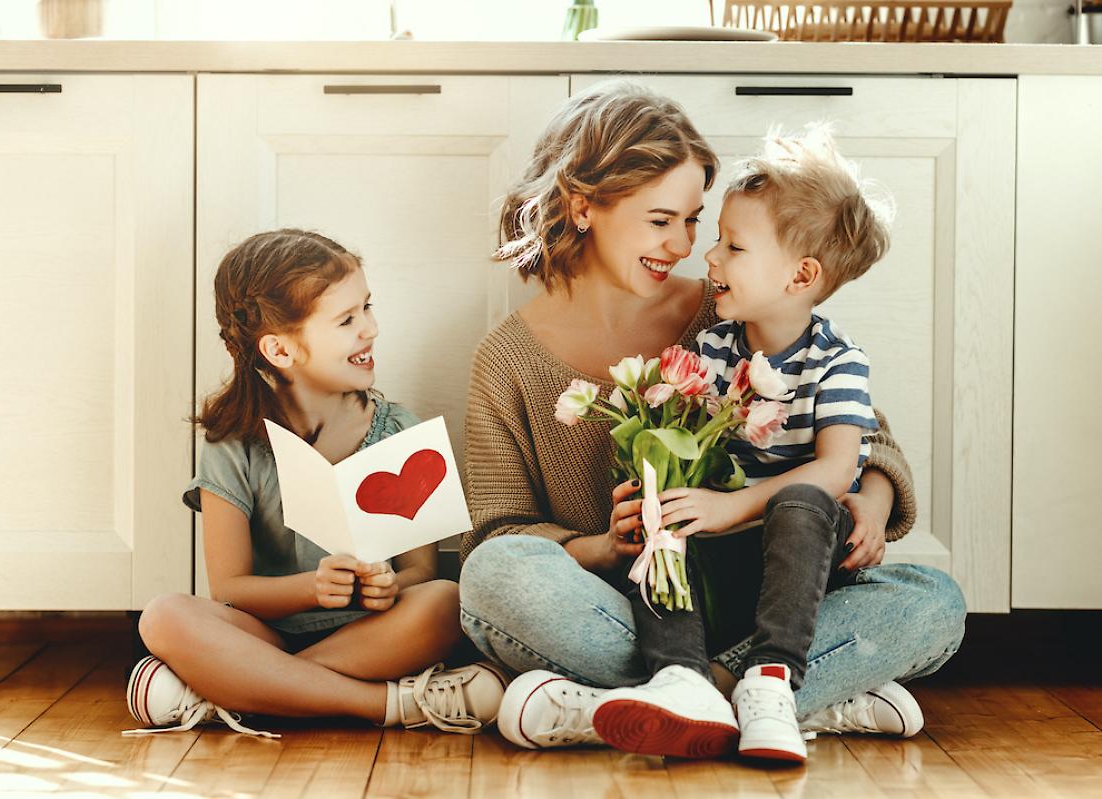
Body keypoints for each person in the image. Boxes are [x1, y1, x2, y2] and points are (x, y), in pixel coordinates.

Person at [456, 81, 966, 755]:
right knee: (493, 578)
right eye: (662, 219)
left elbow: (867, 441)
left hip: (772, 599)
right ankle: (781, 698)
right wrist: (604, 546)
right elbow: (500, 534)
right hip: (631, 608)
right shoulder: (506, 359)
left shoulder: (731, 305)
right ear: (583, 207)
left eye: (696, 220)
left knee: (934, 600)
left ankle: (644, 702)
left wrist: (869, 503)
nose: (688, 246)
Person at [591, 128, 906, 763]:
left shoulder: (837, 362)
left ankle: (769, 682)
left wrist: (732, 507)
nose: (709, 259)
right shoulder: (710, 351)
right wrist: (657, 483)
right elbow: (683, 455)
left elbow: (840, 468)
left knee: (805, 504)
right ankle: (682, 679)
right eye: (718, 241)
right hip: (718, 572)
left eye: (733, 247)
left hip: (796, 572)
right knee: (667, 508)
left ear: (801, 274)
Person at [125, 229, 504, 738]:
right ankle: (386, 704)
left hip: (372, 634)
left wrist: (392, 587)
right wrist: (312, 589)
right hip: (266, 635)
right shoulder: (231, 444)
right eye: (346, 320)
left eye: (367, 308)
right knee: (164, 616)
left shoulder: (402, 431)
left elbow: (420, 570)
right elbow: (231, 589)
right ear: (281, 350)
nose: (370, 329)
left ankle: (241, 691)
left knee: (442, 600)